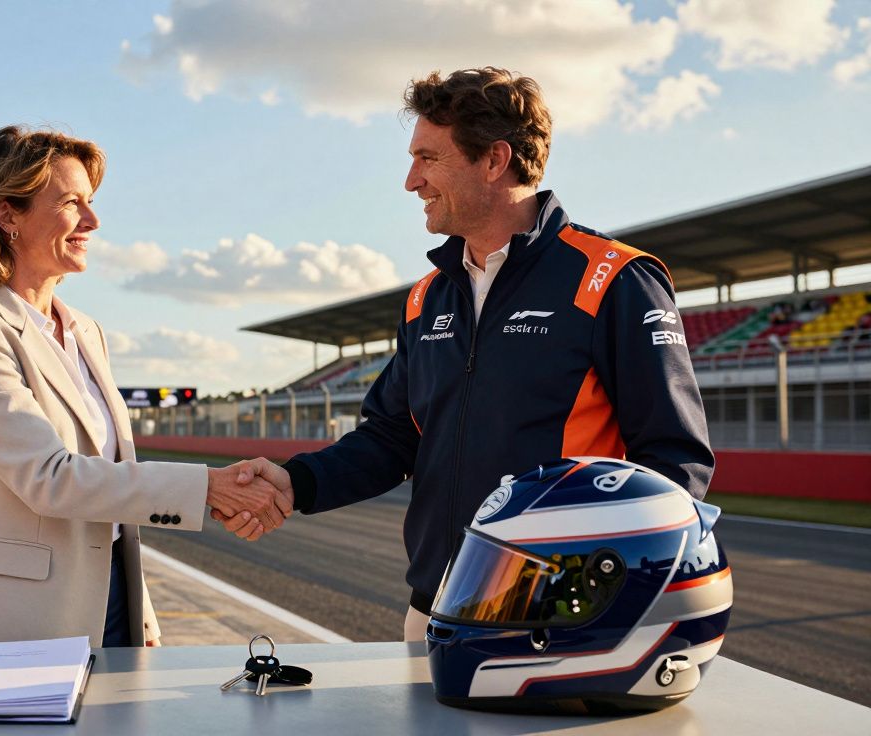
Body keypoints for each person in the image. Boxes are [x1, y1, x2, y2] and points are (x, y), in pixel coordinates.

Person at [219, 68, 714, 641]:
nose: (411, 181)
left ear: (494, 159)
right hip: (434, 609)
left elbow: (674, 463)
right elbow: (391, 437)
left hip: (555, 620)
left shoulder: (613, 279)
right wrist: (293, 482)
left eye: (428, 158)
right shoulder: (427, 298)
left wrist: (603, 597)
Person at [0, 125, 290, 647]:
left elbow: (112, 479)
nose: (92, 221)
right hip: (15, 618)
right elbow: (49, 478)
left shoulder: (85, 331)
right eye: (72, 203)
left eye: (90, 203)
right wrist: (209, 487)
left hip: (112, 602)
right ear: (8, 214)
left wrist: (140, 615)